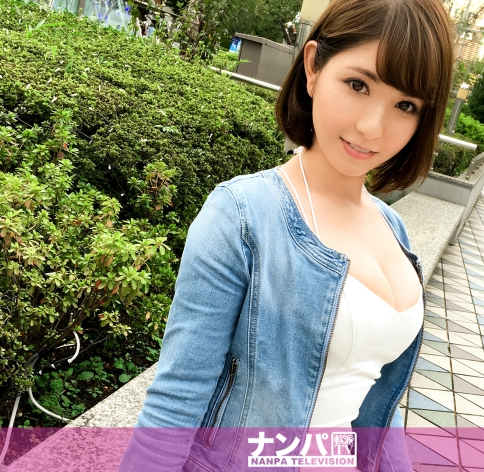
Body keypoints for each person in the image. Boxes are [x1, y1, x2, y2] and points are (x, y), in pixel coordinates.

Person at [118, 0, 454, 470]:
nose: (371, 127)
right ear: (313, 67)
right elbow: (177, 397)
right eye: (358, 85)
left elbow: (376, 399)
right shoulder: (243, 216)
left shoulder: (391, 226)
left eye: (405, 105)